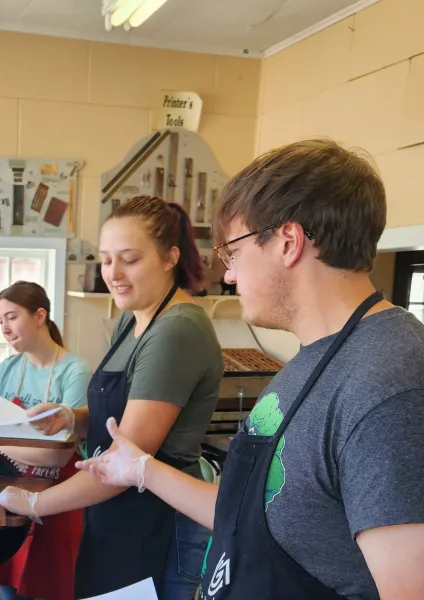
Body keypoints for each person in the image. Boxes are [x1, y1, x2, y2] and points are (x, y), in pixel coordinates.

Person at [75, 140, 424, 600]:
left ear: (288, 242)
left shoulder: (388, 385)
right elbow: (250, 510)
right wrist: (141, 470)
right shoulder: (310, 362)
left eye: (233, 252)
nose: (230, 276)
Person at [0, 197, 224, 599]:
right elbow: (117, 415)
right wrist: (72, 418)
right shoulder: (130, 317)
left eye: (129, 259)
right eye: (105, 260)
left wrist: (35, 504)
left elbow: (126, 462)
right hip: (112, 519)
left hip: (151, 526)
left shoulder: (176, 330)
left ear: (171, 257)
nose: (113, 274)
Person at [0, 281, 91, 600]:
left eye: (11, 317)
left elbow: (57, 457)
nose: (5, 328)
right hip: (10, 495)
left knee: (48, 588)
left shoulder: (74, 370)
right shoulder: (8, 368)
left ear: (40, 316)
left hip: (56, 502)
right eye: (0, 321)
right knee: (8, 587)